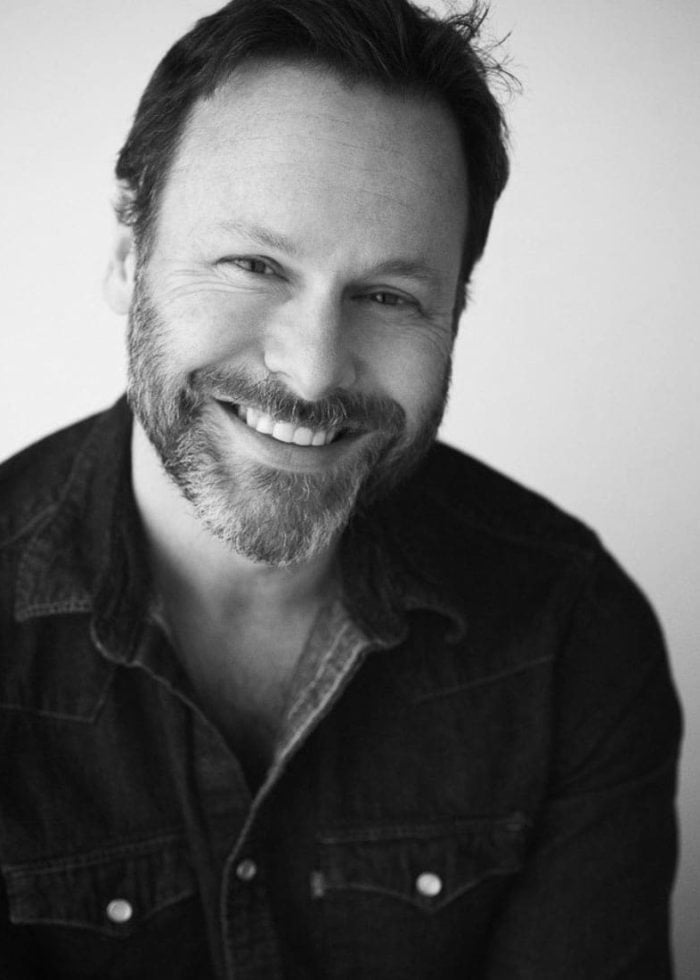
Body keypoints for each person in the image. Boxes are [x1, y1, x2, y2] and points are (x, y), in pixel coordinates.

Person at [0, 0, 682, 976]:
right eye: (254, 264)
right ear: (126, 254)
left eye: (389, 296)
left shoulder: (570, 632)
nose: (314, 371)